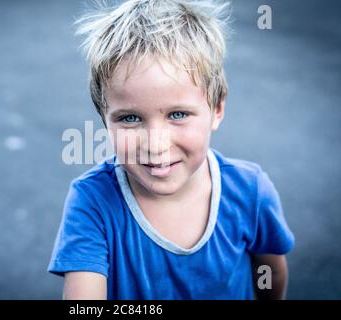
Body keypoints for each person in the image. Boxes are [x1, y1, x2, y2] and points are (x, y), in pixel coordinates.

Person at [48, 0, 295, 300]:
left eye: (178, 114)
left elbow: (270, 274)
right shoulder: (92, 202)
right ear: (104, 119)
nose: (155, 144)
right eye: (130, 118)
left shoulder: (251, 192)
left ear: (217, 108)